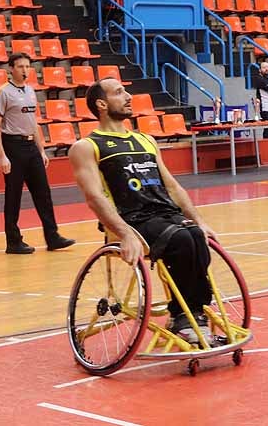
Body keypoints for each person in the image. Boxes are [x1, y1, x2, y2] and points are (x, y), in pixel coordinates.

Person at [69, 78, 217, 343]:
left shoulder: (146, 140)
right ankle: (185, 316)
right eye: (119, 92)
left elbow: (172, 186)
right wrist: (124, 234)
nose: (128, 96)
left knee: (195, 234)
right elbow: (94, 198)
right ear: (101, 104)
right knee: (182, 239)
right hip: (130, 220)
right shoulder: (86, 147)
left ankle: (192, 311)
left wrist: (200, 220)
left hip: (164, 215)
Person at [0, 53, 75, 255]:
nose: (25, 70)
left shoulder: (30, 90)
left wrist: (41, 150)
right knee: (14, 195)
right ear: (11, 69)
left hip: (31, 147)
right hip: (13, 146)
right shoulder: (3, 92)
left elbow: (33, 122)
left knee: (43, 193)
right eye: (20, 66)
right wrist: (2, 156)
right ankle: (13, 241)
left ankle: (52, 236)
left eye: (27, 66)